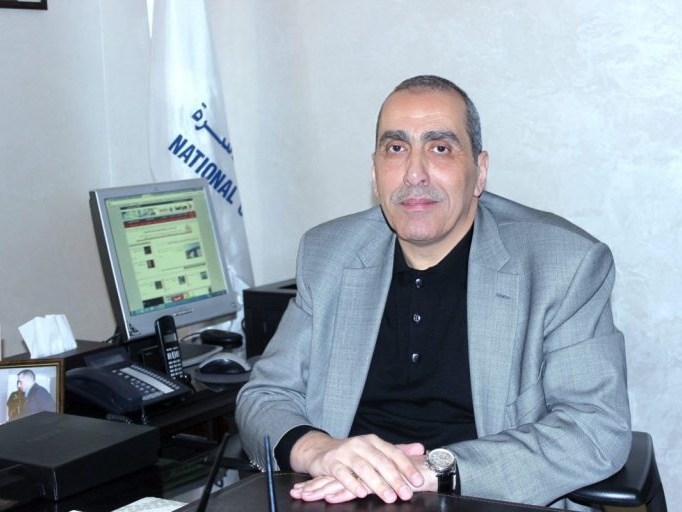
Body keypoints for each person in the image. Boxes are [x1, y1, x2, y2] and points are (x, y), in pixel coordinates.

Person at [236, 75, 631, 509]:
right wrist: (318, 450)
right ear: (374, 173)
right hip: (341, 497)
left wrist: (431, 471)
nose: (414, 173)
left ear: (479, 171)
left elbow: (594, 430)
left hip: (483, 498)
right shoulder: (328, 253)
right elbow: (264, 396)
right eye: (395, 148)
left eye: (440, 148)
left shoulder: (564, 263)